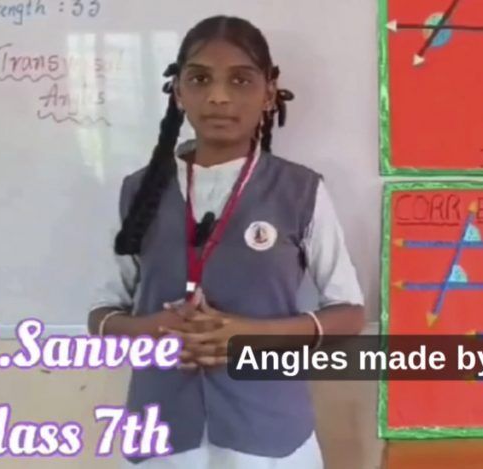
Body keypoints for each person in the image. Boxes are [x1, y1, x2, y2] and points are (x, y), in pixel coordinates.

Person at [86, 15, 366, 468]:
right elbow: (102, 316)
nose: (218, 96)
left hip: (271, 436)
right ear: (178, 92)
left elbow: (349, 313)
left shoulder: (300, 191)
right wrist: (154, 330)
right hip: (162, 433)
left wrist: (252, 336)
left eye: (240, 80)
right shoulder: (138, 192)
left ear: (268, 94)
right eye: (200, 79)